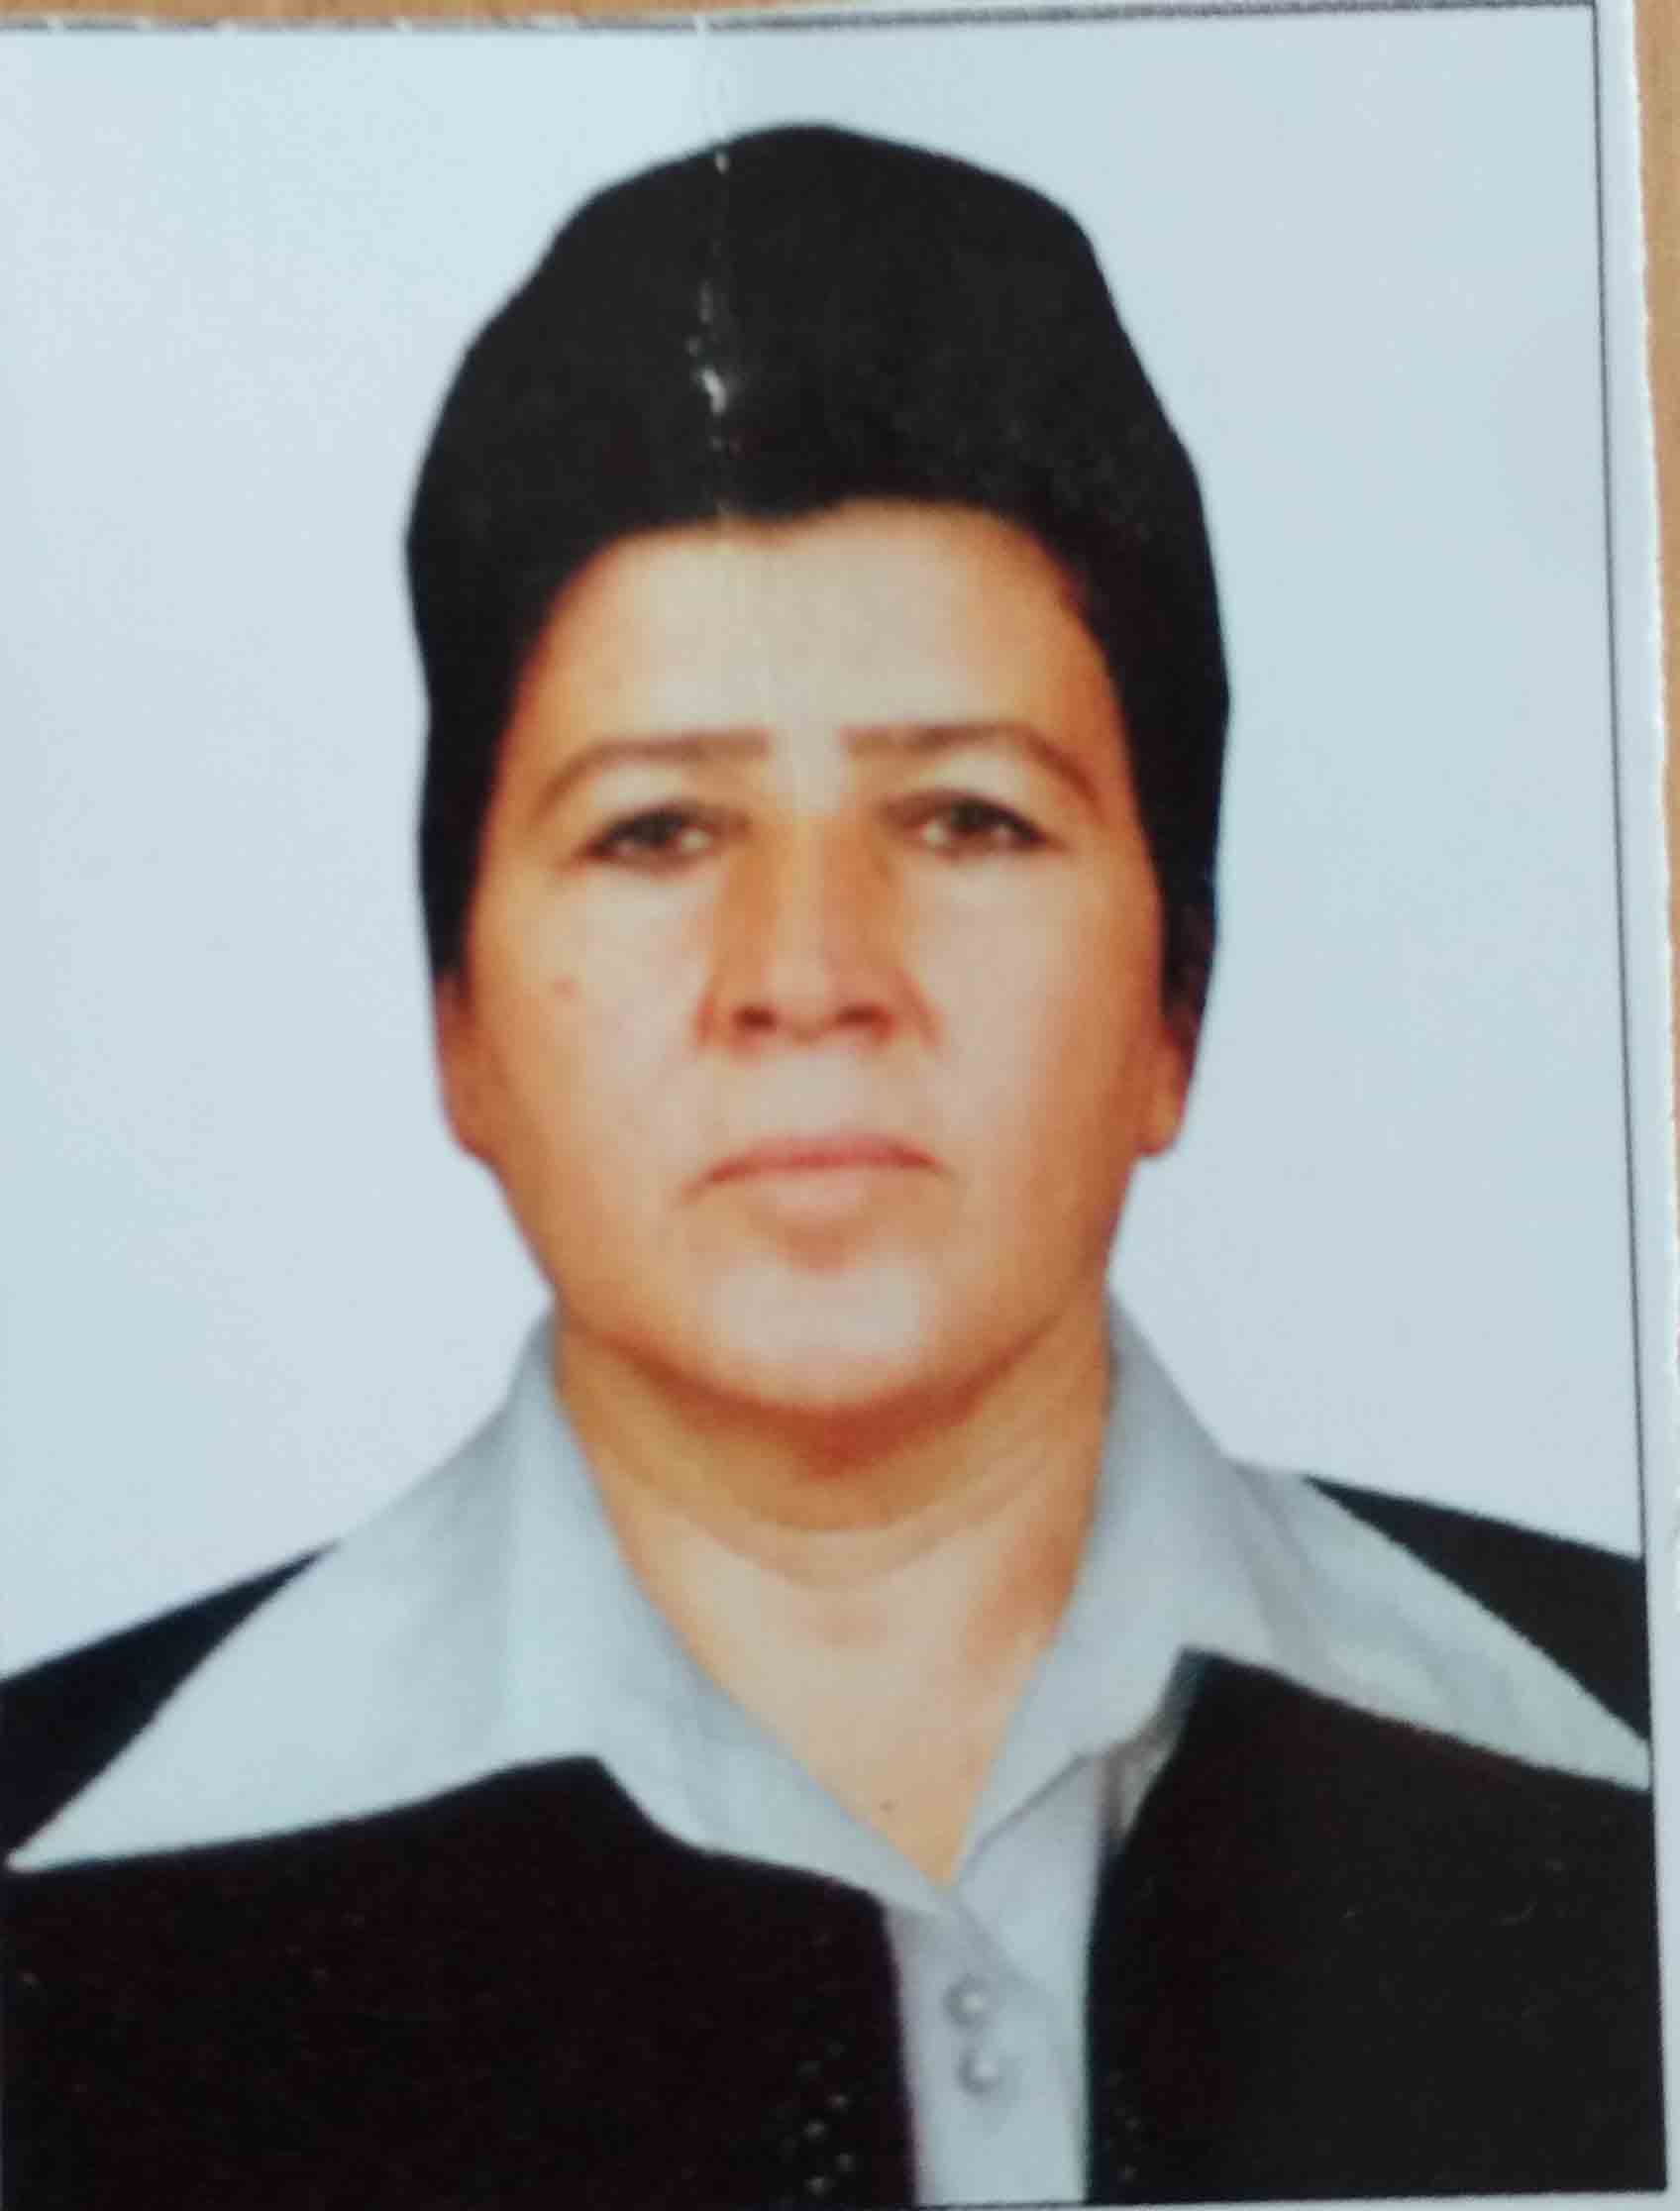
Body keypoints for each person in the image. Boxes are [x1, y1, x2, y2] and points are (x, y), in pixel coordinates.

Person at [6, 125, 1662, 2208]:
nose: (806, 977)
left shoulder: (1628, 1750)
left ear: (1177, 993)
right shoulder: (54, 1880)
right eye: (655, 831)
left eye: (967, 818)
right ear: (457, 1021)